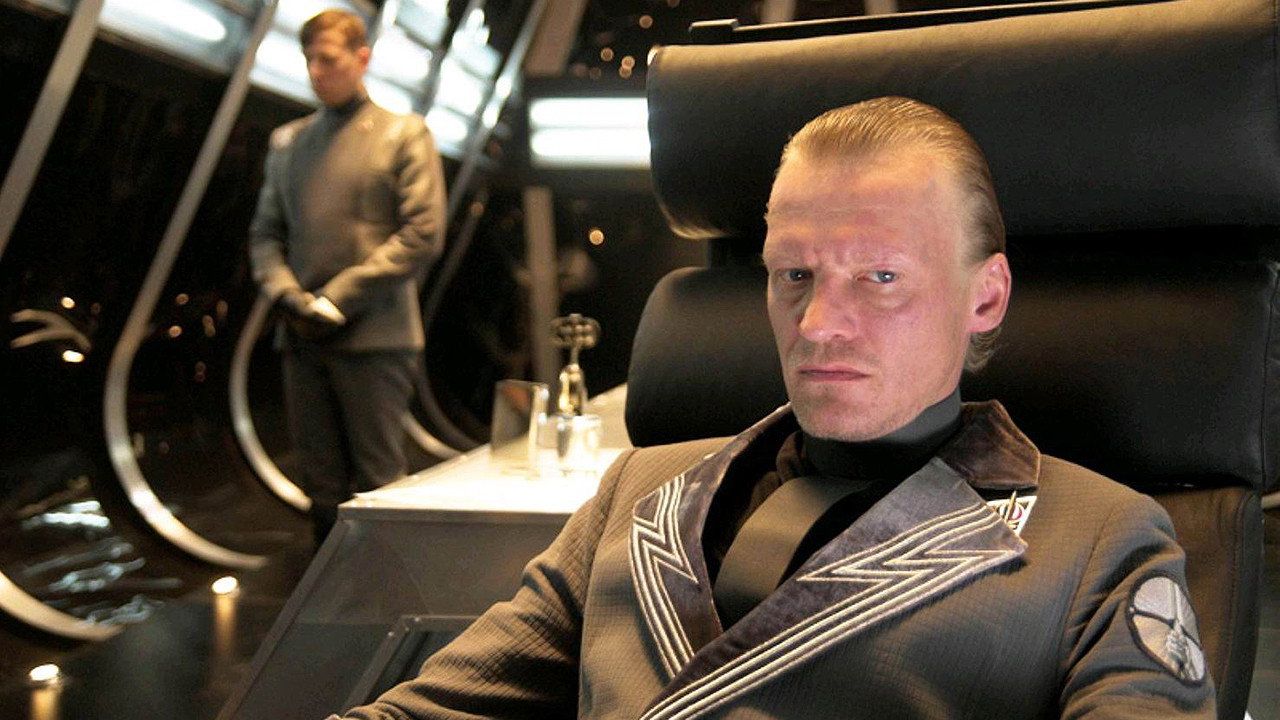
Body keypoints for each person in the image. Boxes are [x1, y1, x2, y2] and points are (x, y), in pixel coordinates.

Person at [328, 98, 1214, 718]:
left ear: (985, 298)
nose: (818, 324)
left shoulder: (1095, 542)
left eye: (880, 276)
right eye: (794, 274)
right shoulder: (639, 490)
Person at [249, 9, 446, 547]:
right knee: (320, 488)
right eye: (309, 59)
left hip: (375, 336)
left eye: (328, 59)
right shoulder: (288, 142)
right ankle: (329, 596)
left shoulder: (404, 133)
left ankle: (388, 593)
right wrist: (288, 295)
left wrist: (335, 299)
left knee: (378, 483)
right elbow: (265, 235)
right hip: (303, 334)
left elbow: (422, 233)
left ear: (362, 59)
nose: (317, 71)